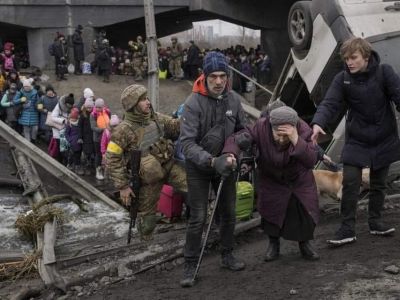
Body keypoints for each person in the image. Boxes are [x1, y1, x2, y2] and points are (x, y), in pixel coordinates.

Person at [311, 37, 400, 246]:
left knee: (379, 183)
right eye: (346, 59)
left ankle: (376, 222)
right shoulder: (343, 79)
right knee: (350, 181)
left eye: (353, 58)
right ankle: (347, 228)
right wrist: (317, 123)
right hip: (357, 139)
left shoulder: (384, 72)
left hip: (383, 136)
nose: (349, 62)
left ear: (366, 57)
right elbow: (330, 103)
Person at [179, 51, 247, 288]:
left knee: (228, 212)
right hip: (199, 166)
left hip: (226, 164)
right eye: (213, 77)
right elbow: (186, 144)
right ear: (204, 76)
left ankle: (227, 255)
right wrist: (211, 161)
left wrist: (233, 152)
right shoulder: (192, 104)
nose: (219, 82)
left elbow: (243, 131)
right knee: (198, 217)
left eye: (223, 76)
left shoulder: (234, 100)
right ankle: (190, 263)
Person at [227, 106, 320, 261]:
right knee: (271, 211)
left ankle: (305, 244)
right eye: (278, 135)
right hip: (271, 177)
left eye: (285, 136)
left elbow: (311, 160)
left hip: (297, 179)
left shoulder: (303, 129)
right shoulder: (261, 127)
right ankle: (273, 244)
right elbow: (238, 137)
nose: (282, 139)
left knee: (303, 212)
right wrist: (231, 152)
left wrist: (296, 139)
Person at [106, 84, 186, 241]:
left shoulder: (154, 118)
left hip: (169, 166)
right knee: (147, 221)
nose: (147, 102)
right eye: (142, 100)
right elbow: (112, 158)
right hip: (148, 180)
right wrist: (123, 186)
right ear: (133, 106)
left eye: (147, 98)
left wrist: (189, 116)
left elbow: (174, 125)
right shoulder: (123, 130)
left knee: (196, 186)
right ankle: (145, 246)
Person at [90, 98, 110, 180]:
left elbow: (110, 121)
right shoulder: (93, 115)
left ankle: (107, 171)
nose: (98, 109)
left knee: (107, 155)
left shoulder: (107, 112)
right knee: (98, 155)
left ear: (103, 106)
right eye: (97, 107)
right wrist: (103, 129)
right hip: (98, 139)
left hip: (107, 138)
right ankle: (98, 171)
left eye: (100, 107)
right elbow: (93, 127)